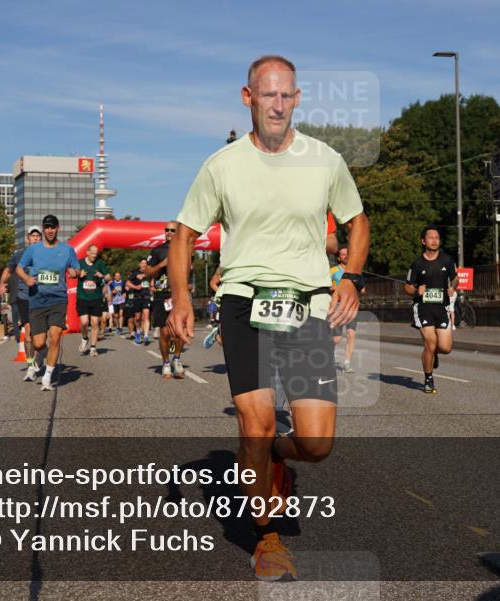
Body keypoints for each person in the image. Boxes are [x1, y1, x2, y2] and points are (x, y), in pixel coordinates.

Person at [167, 55, 369, 581]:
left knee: (317, 444)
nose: (277, 105)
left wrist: (350, 278)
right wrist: (183, 300)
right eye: (267, 94)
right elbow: (184, 233)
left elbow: (358, 220)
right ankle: (268, 538)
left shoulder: (324, 159)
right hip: (243, 301)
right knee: (254, 424)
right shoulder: (222, 164)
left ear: (297, 99)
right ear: (247, 97)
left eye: (286, 95)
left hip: (306, 306)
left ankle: (272, 452)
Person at [16, 214, 80, 391]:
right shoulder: (33, 250)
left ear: (58, 228)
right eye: (47, 227)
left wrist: (75, 273)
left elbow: (76, 268)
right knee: (38, 343)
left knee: (55, 338)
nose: (50, 230)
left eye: (53, 227)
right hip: (37, 299)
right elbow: (19, 268)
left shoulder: (67, 250)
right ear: (43, 229)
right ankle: (40, 355)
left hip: (58, 299)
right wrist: (27, 278)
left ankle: (47, 377)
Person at [404, 225, 457, 394]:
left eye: (437, 237)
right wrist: (415, 291)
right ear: (423, 241)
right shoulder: (417, 263)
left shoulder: (447, 260)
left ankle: (434, 355)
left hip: (442, 307)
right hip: (423, 307)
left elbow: (455, 278)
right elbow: (407, 287)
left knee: (446, 348)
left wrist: (452, 288)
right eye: (431, 237)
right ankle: (428, 378)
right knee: (430, 343)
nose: (434, 240)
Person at [144, 221, 188, 379]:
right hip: (162, 296)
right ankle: (166, 362)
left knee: (179, 331)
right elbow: (148, 274)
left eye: (172, 230)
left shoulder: (185, 249)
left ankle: (177, 359)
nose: (168, 232)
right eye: (166, 230)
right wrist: (162, 264)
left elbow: (190, 271)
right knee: (164, 332)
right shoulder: (157, 251)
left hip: (178, 296)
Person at [1, 227, 42, 380]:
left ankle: (39, 356)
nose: (36, 238)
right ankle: (31, 365)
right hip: (24, 297)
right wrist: (1, 284)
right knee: (29, 330)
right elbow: (8, 269)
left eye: (38, 236)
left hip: (41, 297)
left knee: (41, 335)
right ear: (28, 238)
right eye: (33, 236)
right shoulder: (19, 255)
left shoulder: (46, 254)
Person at [331, 246, 362, 373]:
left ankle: (347, 363)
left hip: (351, 306)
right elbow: (325, 286)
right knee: (336, 339)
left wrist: (357, 287)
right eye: (342, 254)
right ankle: (330, 358)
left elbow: (363, 289)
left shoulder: (356, 271)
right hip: (337, 306)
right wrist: (338, 288)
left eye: (347, 253)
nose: (345, 256)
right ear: (339, 258)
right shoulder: (333, 270)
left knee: (351, 334)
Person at [75, 244, 108, 356]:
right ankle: (84, 338)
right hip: (83, 297)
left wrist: (102, 275)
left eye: (96, 253)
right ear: (87, 252)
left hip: (96, 298)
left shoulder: (99, 263)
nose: (95, 255)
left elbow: (109, 277)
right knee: (84, 322)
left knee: (95, 323)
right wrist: (79, 273)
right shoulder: (80, 262)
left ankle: (93, 348)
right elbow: (72, 273)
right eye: (93, 253)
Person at [124, 260, 148, 342]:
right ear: (139, 264)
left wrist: (152, 287)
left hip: (146, 296)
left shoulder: (150, 271)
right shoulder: (135, 272)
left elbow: (154, 281)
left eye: (145, 263)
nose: (144, 264)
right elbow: (127, 282)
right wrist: (136, 287)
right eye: (142, 263)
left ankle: (146, 336)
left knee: (146, 315)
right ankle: (138, 331)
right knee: (137, 318)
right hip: (137, 297)